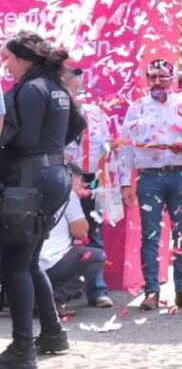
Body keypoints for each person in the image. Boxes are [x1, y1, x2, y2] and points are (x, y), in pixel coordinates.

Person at [0, 31, 80, 366]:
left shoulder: (31, 89)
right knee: (29, 261)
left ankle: (22, 349)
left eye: (8, 58)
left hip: (30, 181)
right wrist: (53, 147)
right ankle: (52, 333)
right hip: (54, 175)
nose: (6, 65)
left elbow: (24, 139)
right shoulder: (55, 86)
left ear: (23, 58)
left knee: (15, 263)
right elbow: (78, 124)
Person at [120, 59, 182, 311]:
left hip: (179, 174)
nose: (156, 82)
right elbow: (126, 147)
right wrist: (125, 183)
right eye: (152, 77)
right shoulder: (137, 108)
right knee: (150, 235)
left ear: (172, 79)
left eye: (162, 77)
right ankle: (151, 291)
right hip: (149, 177)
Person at [61, 68, 114, 308]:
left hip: (91, 178)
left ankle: (97, 290)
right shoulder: (57, 113)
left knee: (94, 234)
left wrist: (108, 149)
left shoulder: (95, 113)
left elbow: (106, 144)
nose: (78, 94)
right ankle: (63, 291)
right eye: (73, 89)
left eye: (80, 89)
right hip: (65, 178)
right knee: (65, 236)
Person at [38, 168, 106, 318]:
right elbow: (80, 232)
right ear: (73, 178)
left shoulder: (36, 189)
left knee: (77, 247)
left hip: (27, 264)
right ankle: (56, 298)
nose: (84, 184)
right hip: (52, 262)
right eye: (81, 180)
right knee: (97, 257)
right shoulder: (68, 194)